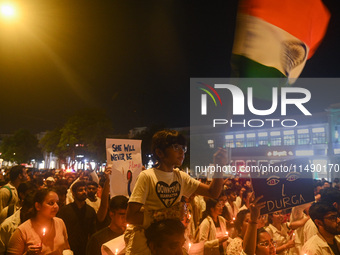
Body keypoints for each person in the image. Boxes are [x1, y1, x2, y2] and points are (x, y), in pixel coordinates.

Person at [125, 130, 227, 255]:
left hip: (174, 241)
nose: (181, 152)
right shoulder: (147, 176)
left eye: (183, 148)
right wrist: (165, 214)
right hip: (150, 242)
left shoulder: (181, 177)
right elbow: (130, 216)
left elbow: (213, 192)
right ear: (159, 152)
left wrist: (219, 167)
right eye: (176, 147)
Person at [6, 188, 71, 255]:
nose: (56, 206)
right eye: (51, 203)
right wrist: (27, 253)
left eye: (57, 203)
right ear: (38, 206)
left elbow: (66, 248)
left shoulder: (60, 223)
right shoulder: (22, 231)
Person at [58, 181, 96, 255]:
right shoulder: (65, 210)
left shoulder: (90, 211)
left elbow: (93, 231)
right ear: (74, 194)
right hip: (69, 248)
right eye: (80, 190)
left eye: (85, 189)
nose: (84, 192)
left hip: (85, 248)